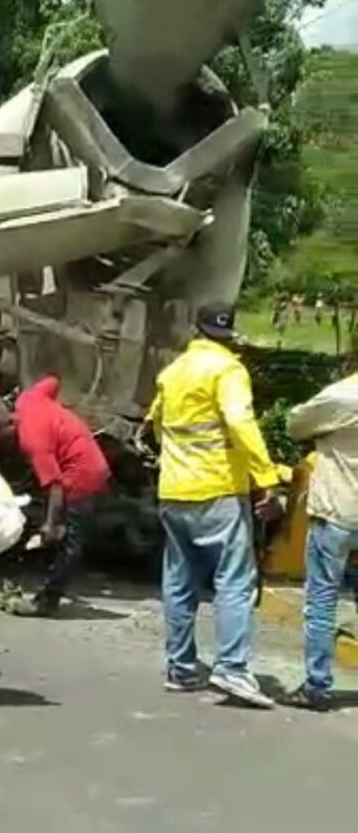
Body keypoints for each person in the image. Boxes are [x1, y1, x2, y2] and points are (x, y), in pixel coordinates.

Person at [139, 303, 281, 709]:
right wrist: (266, 478)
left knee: (179, 582)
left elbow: (152, 425)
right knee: (235, 581)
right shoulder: (228, 370)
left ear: (196, 330)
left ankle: (181, 669)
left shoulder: (173, 372)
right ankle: (232, 669)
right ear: (229, 335)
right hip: (218, 490)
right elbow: (240, 423)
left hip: (174, 492)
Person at [0, 376, 111, 616]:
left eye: (8, 442)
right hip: (87, 459)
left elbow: (55, 486)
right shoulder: (27, 399)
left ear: (12, 426)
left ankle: (47, 601)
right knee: (53, 526)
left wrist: (51, 524)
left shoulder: (34, 443)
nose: (12, 447)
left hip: (83, 474)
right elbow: (53, 381)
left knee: (70, 543)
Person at [283, 371, 358, 711]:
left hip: (337, 513)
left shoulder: (341, 396)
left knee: (322, 600)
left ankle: (317, 686)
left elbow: (296, 425)